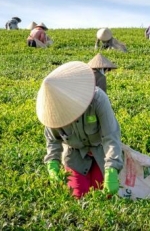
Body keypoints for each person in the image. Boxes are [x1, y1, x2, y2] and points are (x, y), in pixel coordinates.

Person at [36, 61, 123, 199]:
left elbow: (111, 136)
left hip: (101, 153)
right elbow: (53, 141)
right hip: (75, 156)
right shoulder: (53, 111)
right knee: (77, 196)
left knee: (102, 194)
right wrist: (53, 164)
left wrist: (112, 169)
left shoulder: (98, 99)